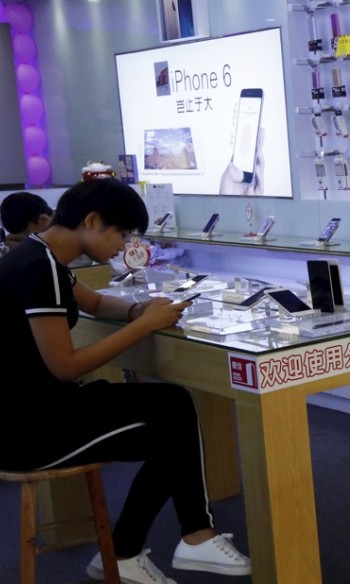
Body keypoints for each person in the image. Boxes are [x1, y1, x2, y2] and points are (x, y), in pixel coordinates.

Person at [0, 180, 250, 584]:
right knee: (172, 412)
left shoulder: (42, 256)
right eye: (122, 233)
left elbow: (96, 302)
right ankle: (181, 537)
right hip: (29, 431)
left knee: (171, 420)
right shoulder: (39, 269)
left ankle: (131, 551)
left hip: (36, 409)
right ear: (92, 221)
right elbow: (65, 365)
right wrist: (144, 325)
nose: (124, 245)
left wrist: (138, 310)